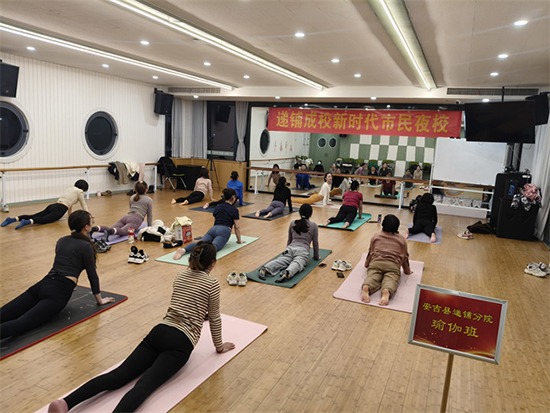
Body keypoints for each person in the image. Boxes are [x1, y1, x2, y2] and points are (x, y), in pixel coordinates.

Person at [47, 241, 235, 413]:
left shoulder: (180, 276)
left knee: (118, 376)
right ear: (212, 263)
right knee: (145, 384)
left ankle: (65, 403)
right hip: (180, 342)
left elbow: (186, 302)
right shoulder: (212, 284)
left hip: (159, 332)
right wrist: (219, 346)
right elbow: (215, 318)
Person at [0, 211, 114, 340]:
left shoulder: (62, 240)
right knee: (21, 324)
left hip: (43, 284)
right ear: (86, 227)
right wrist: (99, 300)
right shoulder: (86, 246)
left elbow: (63, 263)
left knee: (5, 312)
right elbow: (92, 275)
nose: (92, 224)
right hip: (58, 293)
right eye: (91, 222)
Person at [174, 188, 243, 260]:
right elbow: (237, 227)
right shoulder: (234, 210)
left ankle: (183, 250)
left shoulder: (218, 207)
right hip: (224, 230)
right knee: (213, 247)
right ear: (233, 197)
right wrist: (239, 241)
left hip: (213, 229)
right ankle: (201, 255)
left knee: (200, 243)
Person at [259, 204, 320, 283]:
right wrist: (316, 257)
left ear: (300, 213)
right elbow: (315, 243)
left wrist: (287, 252)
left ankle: (265, 268)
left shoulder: (293, 223)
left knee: (281, 260)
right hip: (303, 251)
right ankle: (287, 273)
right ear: (310, 214)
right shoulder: (314, 225)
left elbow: (289, 240)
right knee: (298, 263)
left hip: (290, 248)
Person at [361, 214, 412, 306]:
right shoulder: (401, 240)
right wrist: (407, 271)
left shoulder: (376, 236)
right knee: (391, 279)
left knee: (372, 276)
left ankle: (367, 287)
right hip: (393, 265)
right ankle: (386, 290)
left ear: (383, 225)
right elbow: (405, 257)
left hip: (376, 262)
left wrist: (366, 264)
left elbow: (370, 252)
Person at [2, 180, 90, 229]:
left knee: (34, 215)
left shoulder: (70, 189)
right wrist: (88, 215)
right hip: (60, 209)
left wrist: (70, 215)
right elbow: (83, 204)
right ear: (84, 188)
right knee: (44, 219)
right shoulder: (80, 192)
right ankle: (27, 222)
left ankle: (13, 219)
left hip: (53, 205)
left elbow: (69, 204)